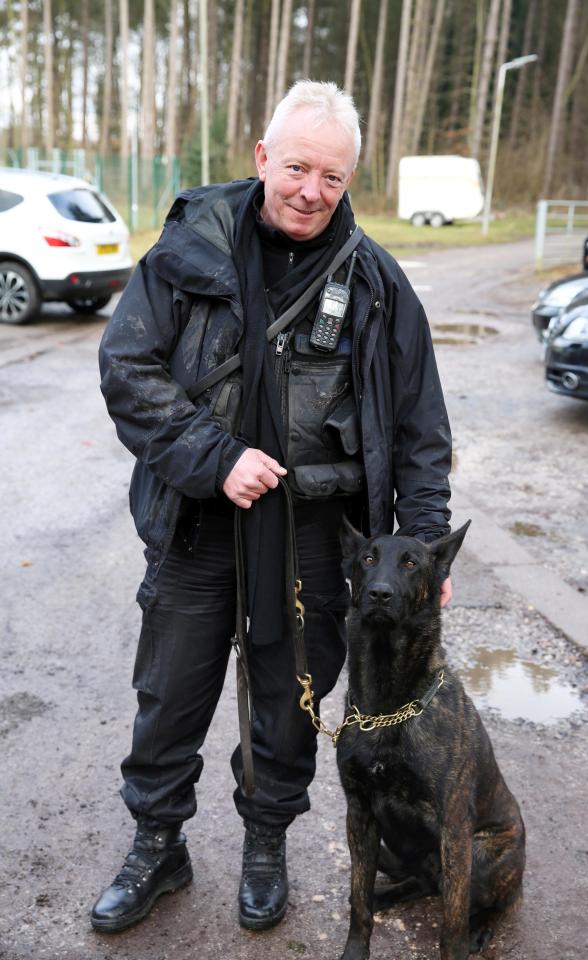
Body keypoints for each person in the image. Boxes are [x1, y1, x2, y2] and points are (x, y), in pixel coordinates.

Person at [92, 80, 452, 935]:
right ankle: (157, 844)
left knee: (289, 702)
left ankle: (265, 841)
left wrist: (425, 550)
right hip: (199, 523)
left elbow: (420, 431)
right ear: (262, 158)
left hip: (319, 539)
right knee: (170, 692)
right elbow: (126, 370)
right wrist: (214, 459)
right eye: (296, 168)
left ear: (351, 178)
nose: (310, 192)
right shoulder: (188, 248)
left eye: (332, 177)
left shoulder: (377, 282)